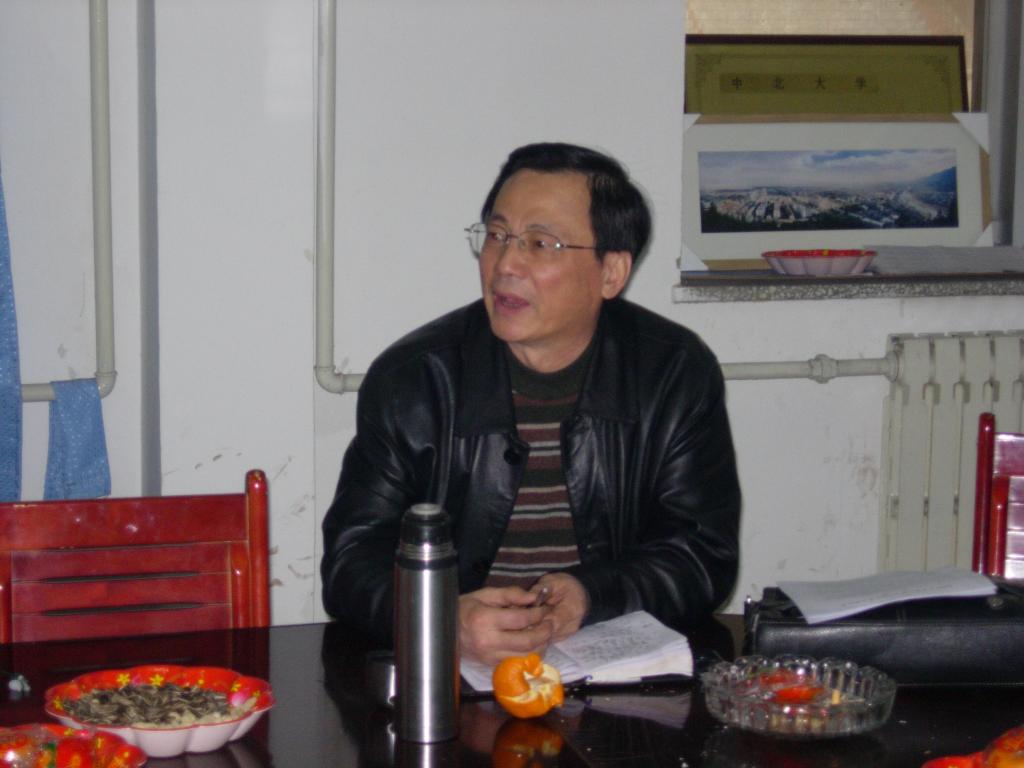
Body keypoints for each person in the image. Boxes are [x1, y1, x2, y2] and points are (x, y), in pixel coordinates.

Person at [321, 142, 740, 665]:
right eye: (497, 236)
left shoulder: (673, 374)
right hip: (453, 681)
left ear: (611, 272)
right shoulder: (416, 380)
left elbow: (702, 556)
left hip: (610, 678)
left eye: (541, 244)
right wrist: (441, 619)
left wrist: (592, 595)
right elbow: (350, 563)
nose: (506, 264)